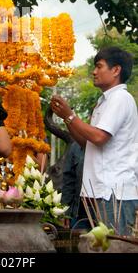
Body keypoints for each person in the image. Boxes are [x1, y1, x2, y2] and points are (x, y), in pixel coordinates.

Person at [51, 46, 138, 235]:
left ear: (116, 70)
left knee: (115, 248)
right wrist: (66, 118)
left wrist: (71, 116)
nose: (94, 71)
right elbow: (86, 142)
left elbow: (99, 137)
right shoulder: (103, 101)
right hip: (99, 191)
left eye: (99, 66)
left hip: (114, 193)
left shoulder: (121, 98)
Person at [61, 141, 86, 228]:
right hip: (80, 211)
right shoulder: (75, 147)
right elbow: (68, 181)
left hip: (106, 209)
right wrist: (65, 210)